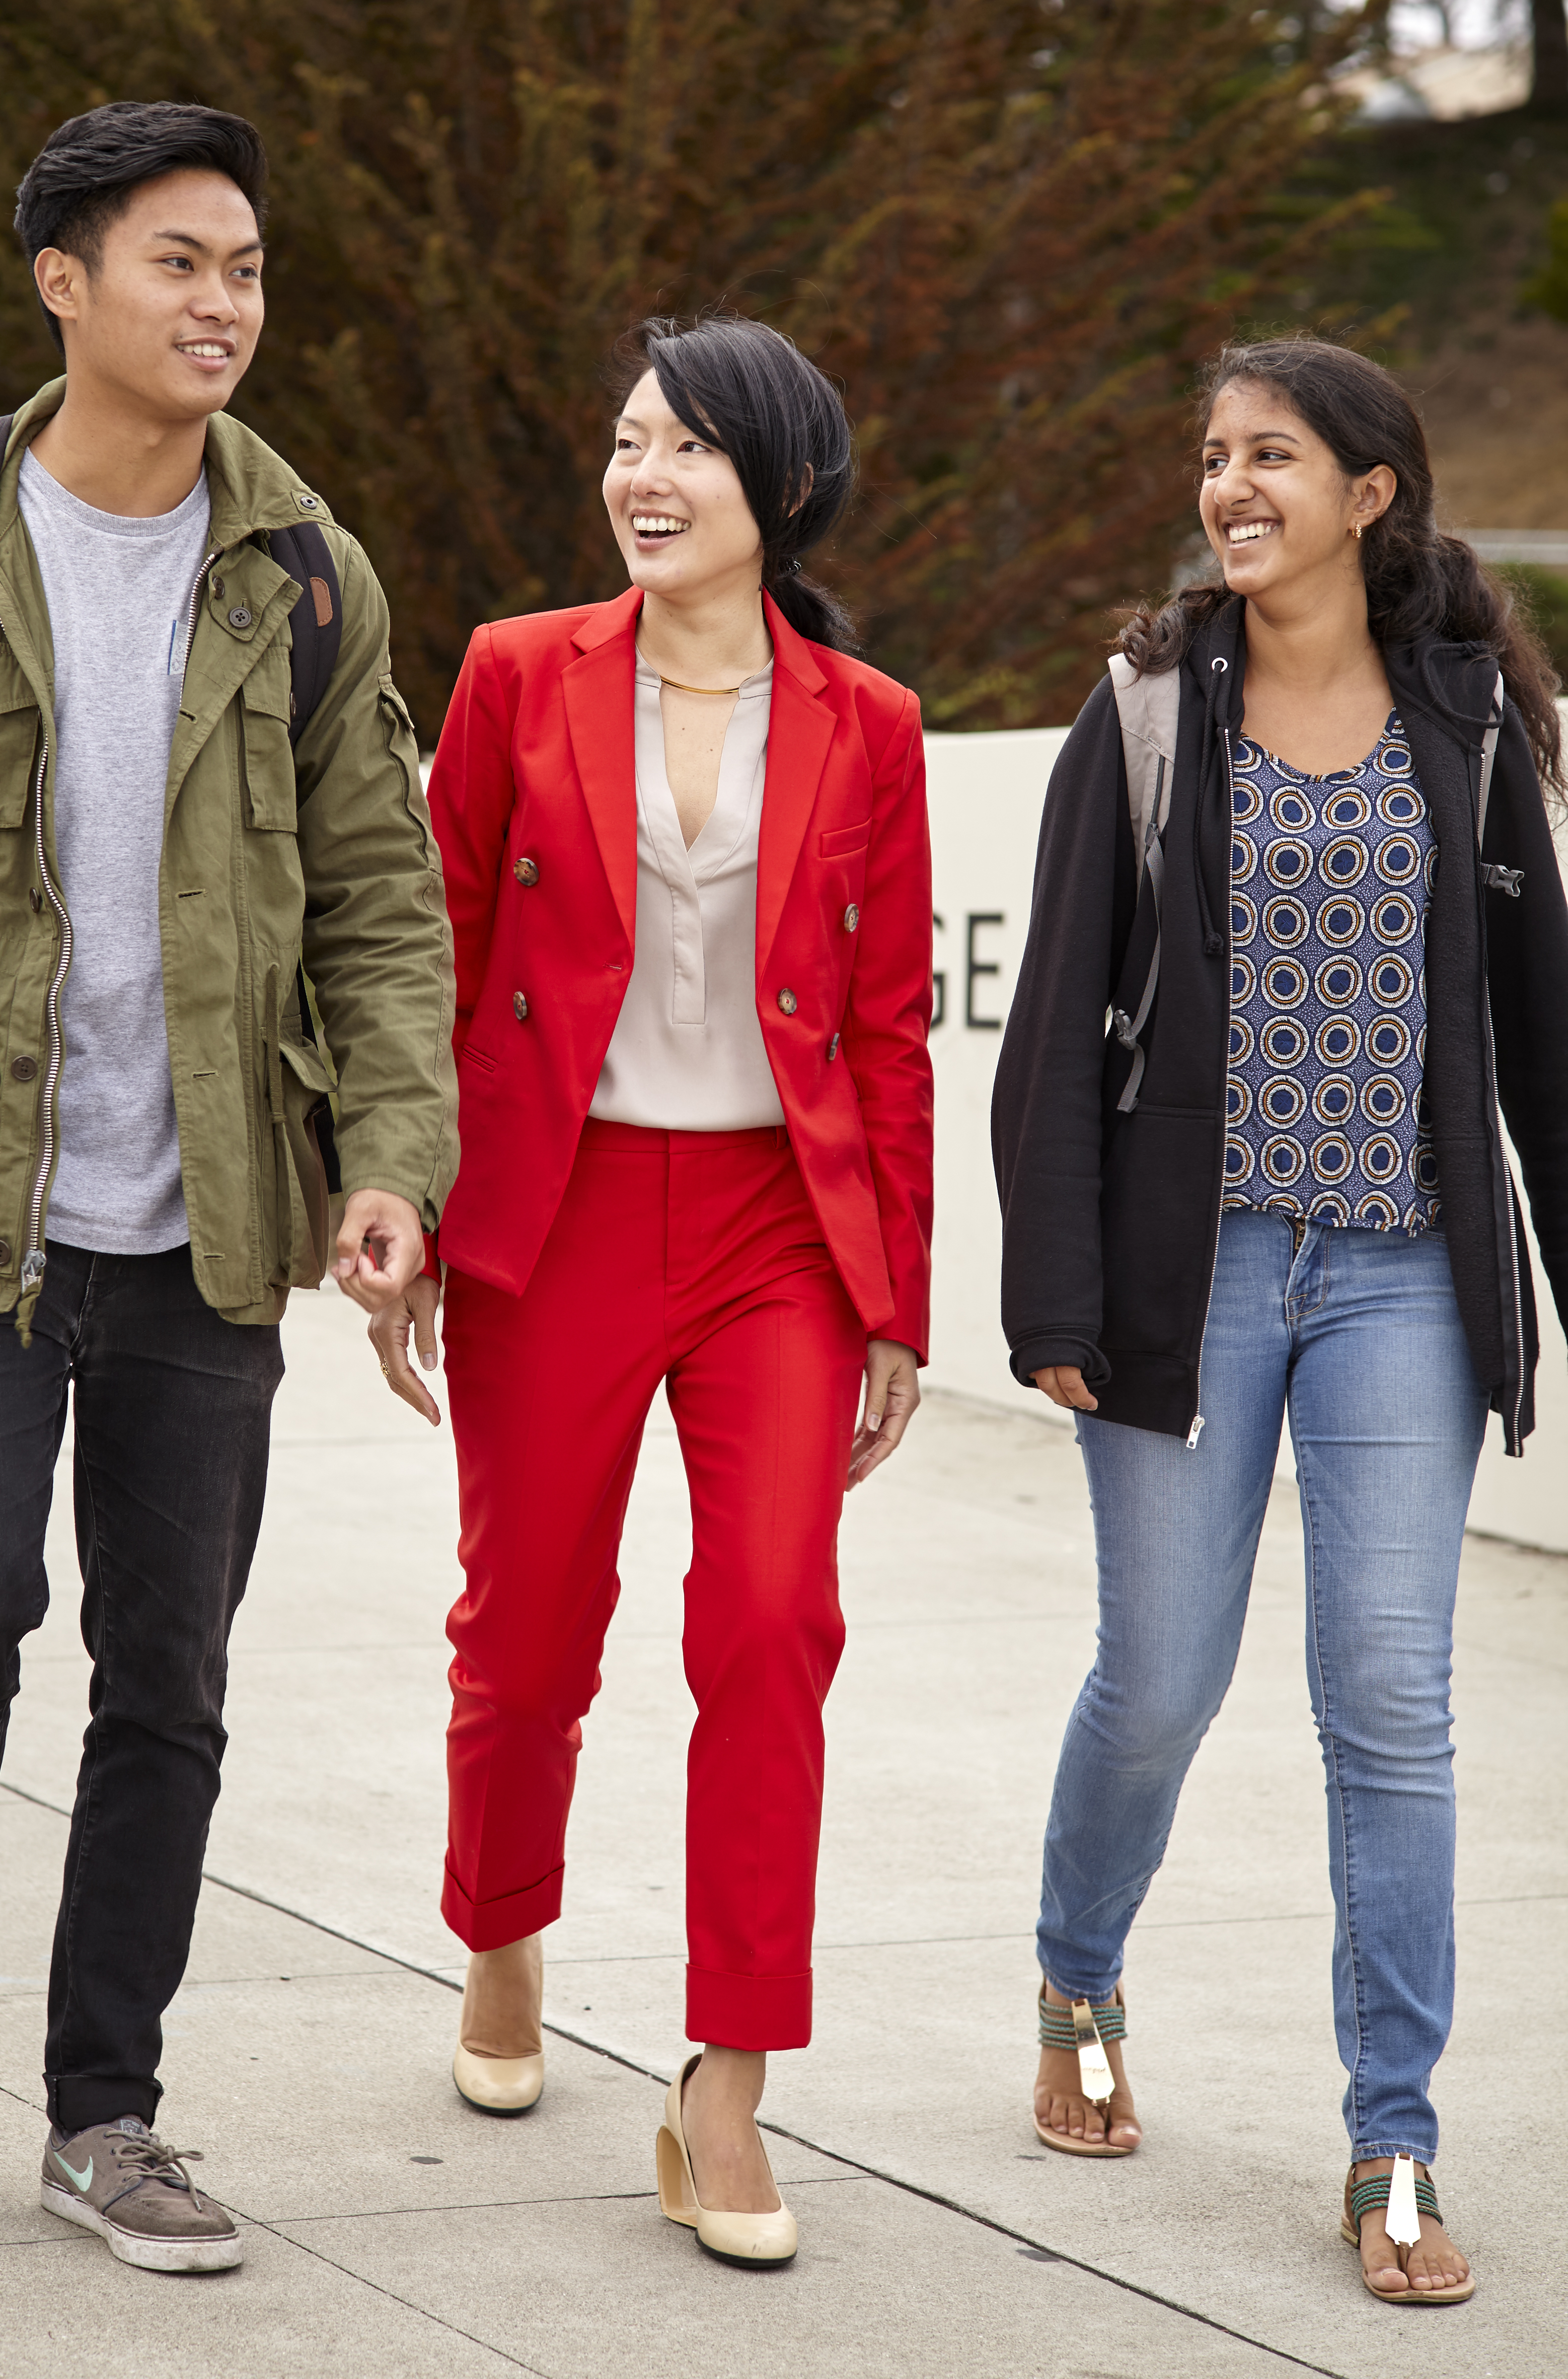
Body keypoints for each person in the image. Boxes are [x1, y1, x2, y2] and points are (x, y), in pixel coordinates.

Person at [0, 100, 457, 2273]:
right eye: (178, 262)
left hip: (210, 1227)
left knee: (173, 1674)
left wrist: (393, 1157)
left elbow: (380, 895)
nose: (223, 302)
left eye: (244, 266)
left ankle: (108, 2108)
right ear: (64, 281)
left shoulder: (309, 570)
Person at [993, 334, 1568, 2307]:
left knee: (1390, 1709)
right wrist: (1054, 1291)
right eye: (1213, 455)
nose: (1230, 486)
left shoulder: (1471, 718)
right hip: (1196, 1273)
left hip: (1404, 1269)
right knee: (1160, 1679)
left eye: (1272, 457)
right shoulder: (1149, 710)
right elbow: (1057, 1020)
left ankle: (1392, 2138)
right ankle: (1078, 1977)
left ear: (1371, 492)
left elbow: (1542, 1041)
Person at [367, 312, 934, 2268]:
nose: (644, 478)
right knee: (529, 1638)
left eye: (686, 447)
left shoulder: (867, 722)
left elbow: (886, 1033)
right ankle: (501, 1933)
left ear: (777, 484)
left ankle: (726, 2085)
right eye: (627, 443)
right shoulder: (519, 676)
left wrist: (896, 1304)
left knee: (773, 1623)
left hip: (781, 1230)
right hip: (563, 1211)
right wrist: (406, 1209)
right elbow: (429, 952)